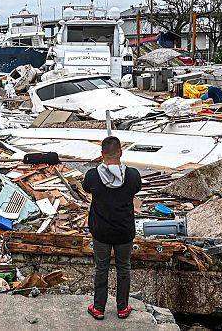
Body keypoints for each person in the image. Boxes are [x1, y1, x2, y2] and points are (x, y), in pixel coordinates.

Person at [81, 136, 142, 320]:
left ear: (102, 154)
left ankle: (99, 308)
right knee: (124, 268)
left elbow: (86, 188)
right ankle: (122, 307)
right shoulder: (132, 176)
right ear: (121, 153)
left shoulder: (92, 176)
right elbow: (136, 189)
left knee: (101, 268)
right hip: (124, 230)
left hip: (101, 231)